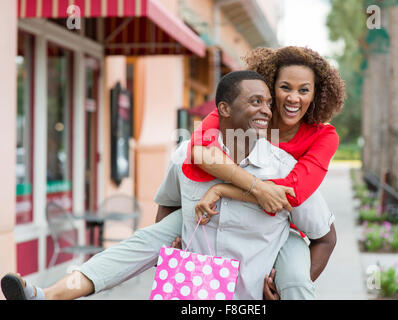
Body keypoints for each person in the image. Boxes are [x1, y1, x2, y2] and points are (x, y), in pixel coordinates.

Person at [1, 70, 334, 301]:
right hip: (195, 292)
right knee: (132, 248)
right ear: (223, 109)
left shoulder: (283, 169)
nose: (266, 110)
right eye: (255, 102)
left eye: (267, 102)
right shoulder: (186, 158)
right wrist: (168, 255)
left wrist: (290, 280)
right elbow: (169, 205)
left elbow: (324, 236)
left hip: (250, 295)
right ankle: (47, 294)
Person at [176, 46, 346, 298]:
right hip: (216, 216)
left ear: (316, 95)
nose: (293, 98)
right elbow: (199, 153)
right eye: (285, 87)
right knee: (150, 243)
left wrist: (222, 189)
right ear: (270, 86)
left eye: (304, 90)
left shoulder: (324, 136)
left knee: (295, 283)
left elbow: (290, 194)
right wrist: (252, 188)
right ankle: (94, 279)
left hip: (283, 227)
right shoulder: (239, 114)